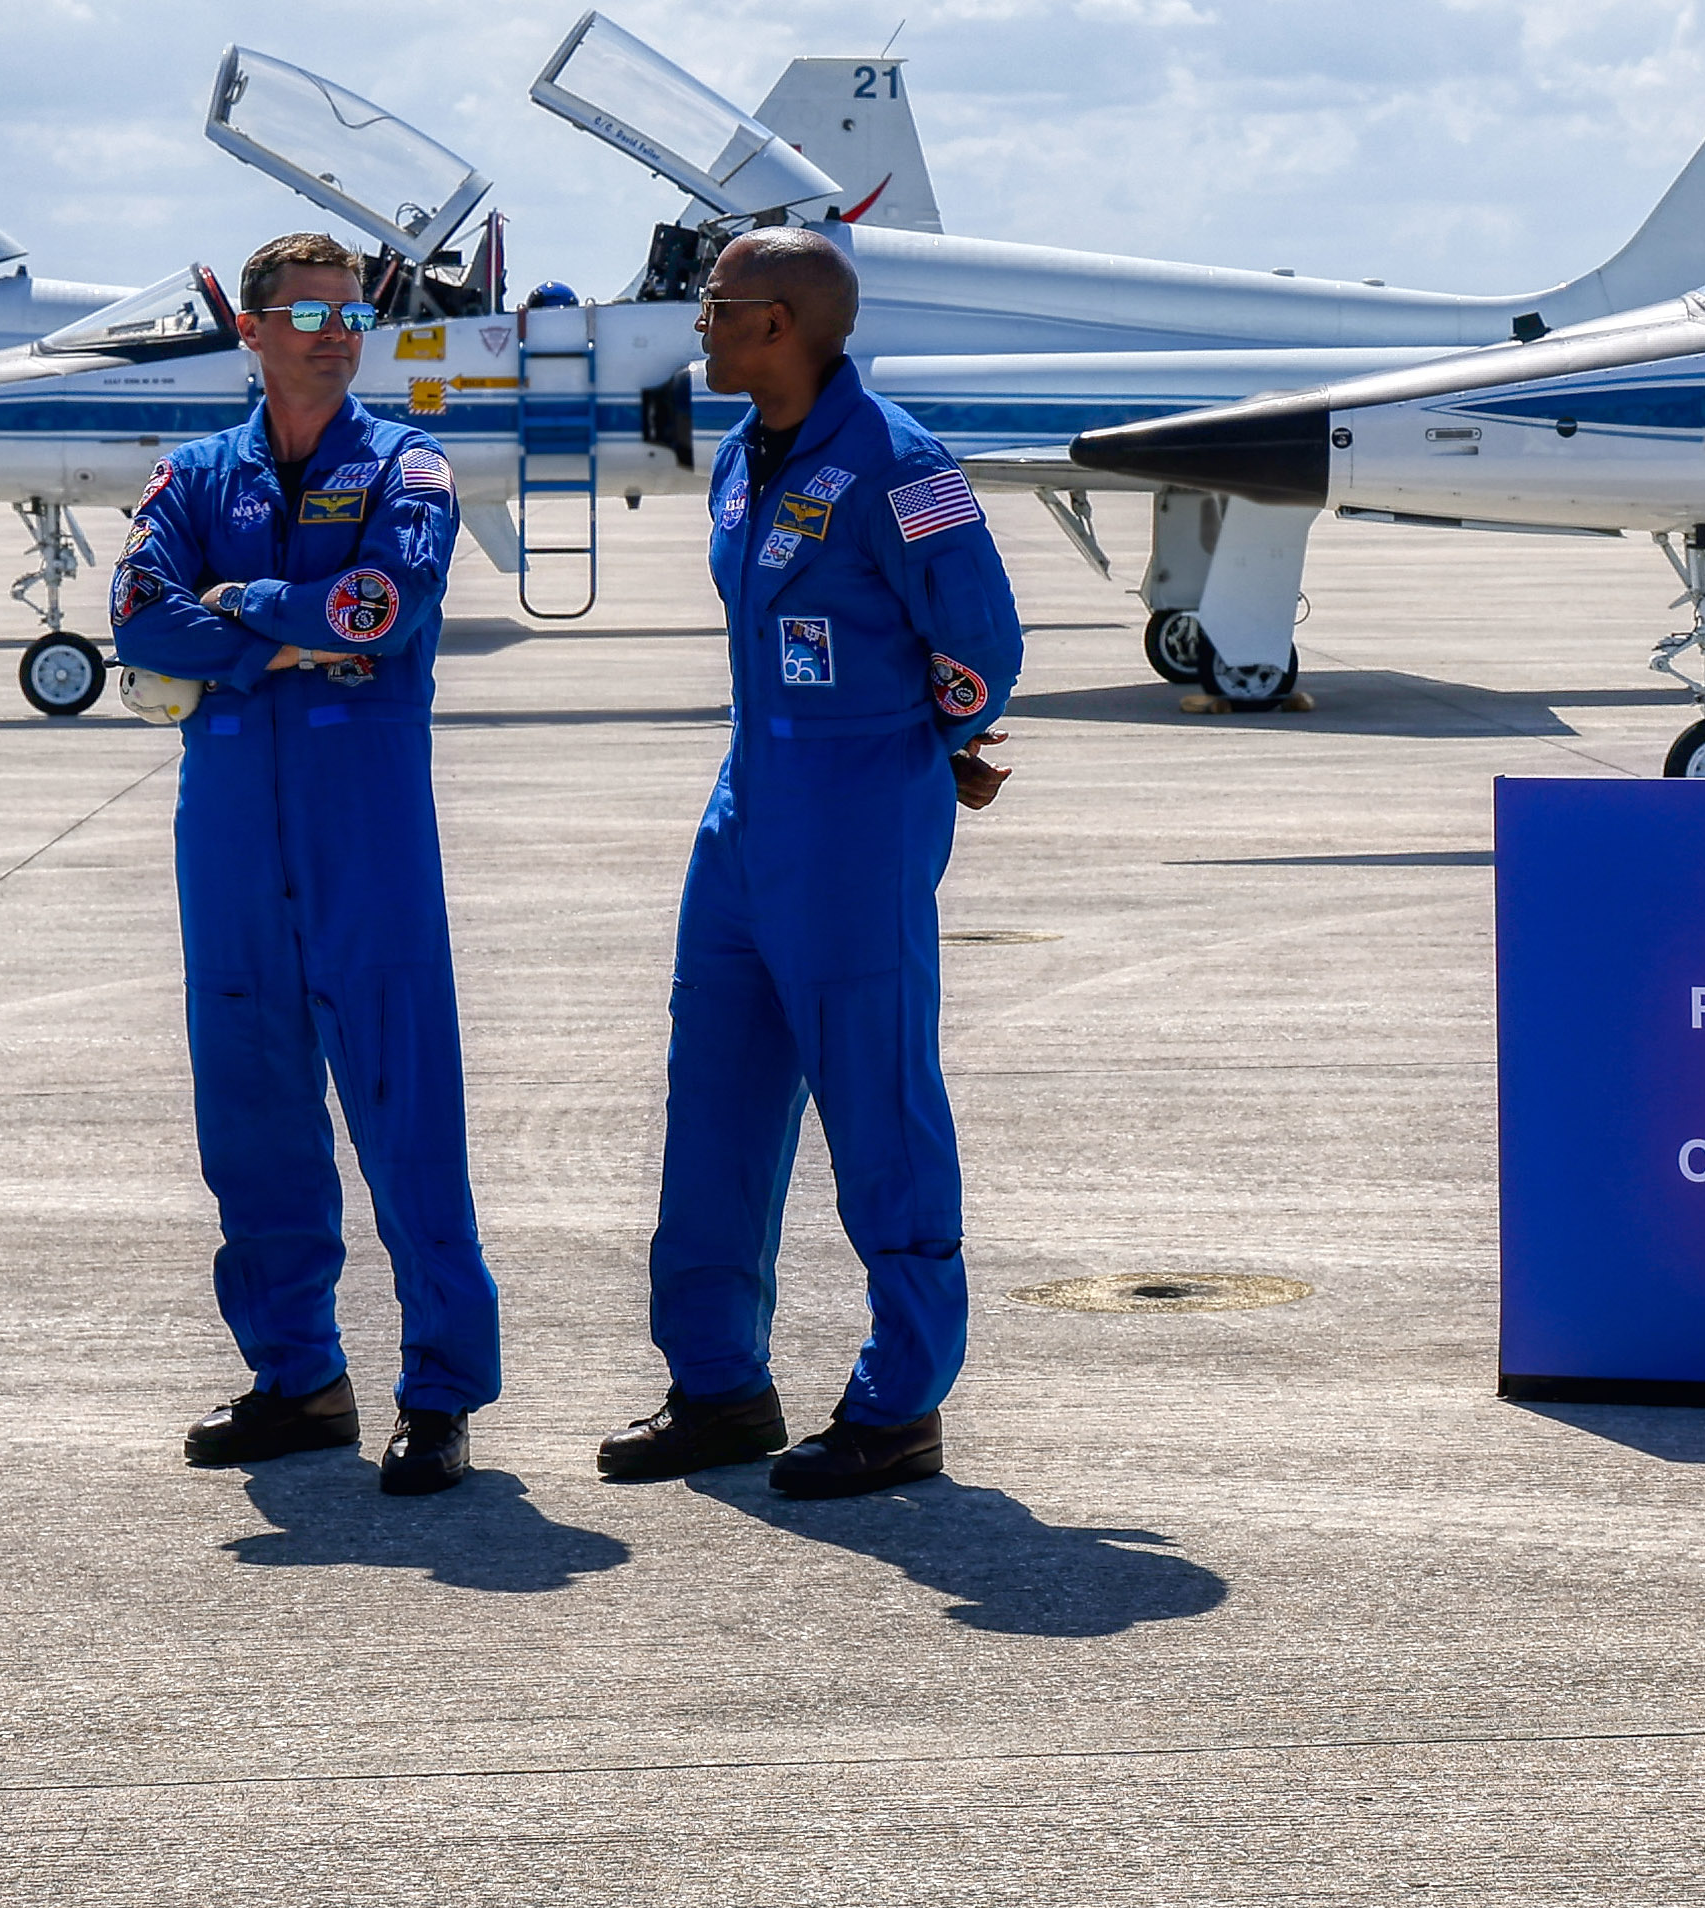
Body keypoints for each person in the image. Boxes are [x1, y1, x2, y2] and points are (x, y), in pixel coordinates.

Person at [598, 227, 1025, 1500]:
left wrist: (920, 748)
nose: (698, 326)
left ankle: (900, 1401)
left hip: (850, 815)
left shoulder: (902, 468)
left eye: (715, 306)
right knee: (714, 1102)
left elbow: (980, 645)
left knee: (877, 1105)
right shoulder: (741, 453)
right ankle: (717, 1384)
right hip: (745, 808)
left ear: (777, 323)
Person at [110, 231, 500, 1492]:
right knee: (250, 1112)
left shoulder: (407, 463)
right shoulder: (193, 475)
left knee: (404, 1109)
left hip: (361, 826)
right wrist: (293, 626)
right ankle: (298, 1377)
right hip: (225, 832)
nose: (336, 334)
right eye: (309, 314)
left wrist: (233, 612)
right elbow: (135, 614)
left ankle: (438, 1391)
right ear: (254, 330)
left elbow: (384, 608)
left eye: (351, 315)